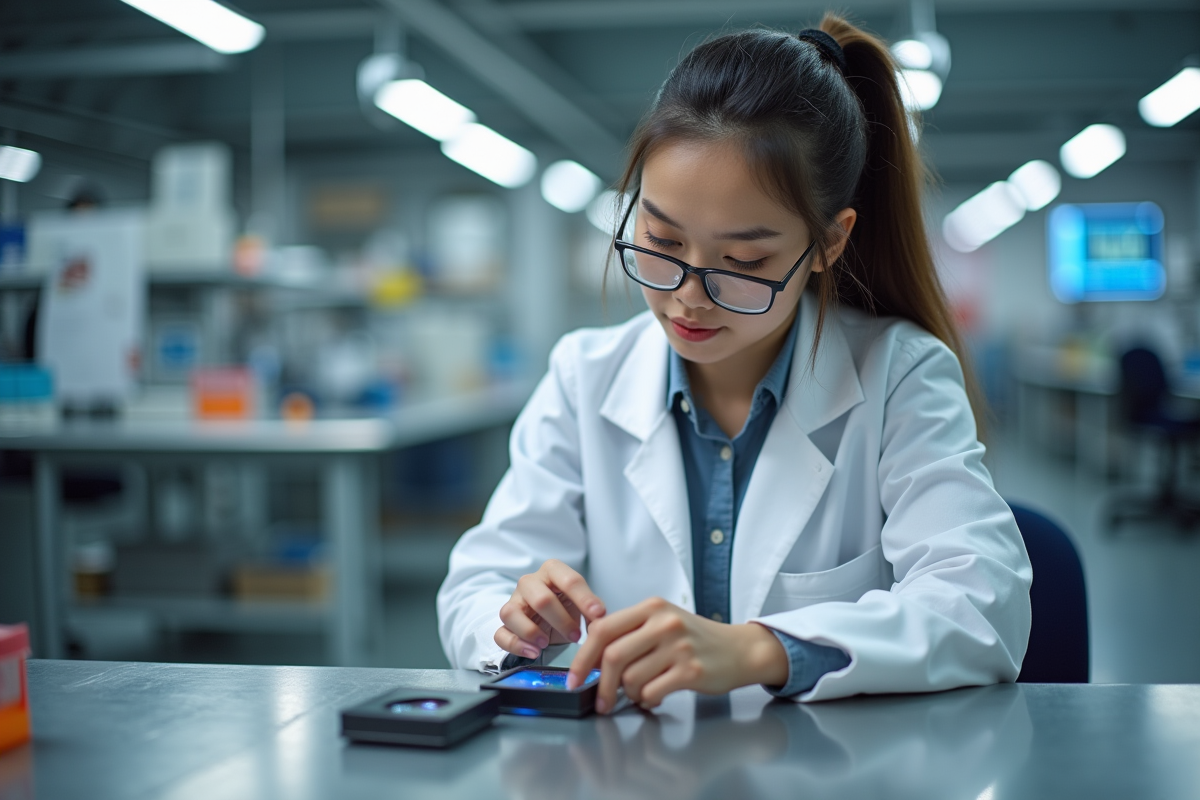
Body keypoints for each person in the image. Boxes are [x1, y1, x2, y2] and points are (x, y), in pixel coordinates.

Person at [437, 14, 1032, 708]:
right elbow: (476, 589)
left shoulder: (899, 376)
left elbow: (980, 606)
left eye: (744, 262)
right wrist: (516, 619)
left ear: (828, 243)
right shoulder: (583, 376)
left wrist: (760, 648)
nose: (689, 297)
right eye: (659, 241)